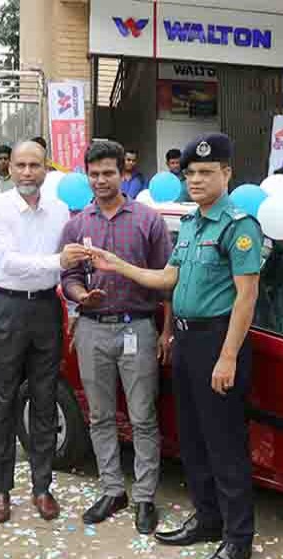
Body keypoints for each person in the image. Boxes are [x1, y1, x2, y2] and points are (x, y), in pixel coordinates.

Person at [88, 133, 261, 559]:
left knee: (225, 445)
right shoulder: (192, 223)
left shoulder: (238, 225)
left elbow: (246, 298)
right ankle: (207, 519)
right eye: (191, 173)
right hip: (184, 342)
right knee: (193, 439)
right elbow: (168, 277)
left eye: (207, 172)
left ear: (227, 173)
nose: (198, 180)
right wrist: (118, 265)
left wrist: (228, 357)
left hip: (217, 343)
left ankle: (237, 538)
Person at [60, 140, 172, 534]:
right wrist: (80, 297)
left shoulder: (147, 220)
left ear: (123, 173)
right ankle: (112, 490)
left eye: (109, 172)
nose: (102, 180)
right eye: (94, 174)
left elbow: (167, 279)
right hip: (92, 328)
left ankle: (144, 496)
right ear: (86, 176)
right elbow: (68, 277)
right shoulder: (77, 225)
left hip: (137, 329)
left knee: (143, 417)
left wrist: (166, 330)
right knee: (100, 416)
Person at [0, 141, 90, 524]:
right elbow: (6, 261)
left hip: (46, 306)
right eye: (21, 165)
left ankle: (42, 487)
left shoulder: (60, 210)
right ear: (9, 168)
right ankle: (0, 489)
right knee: (3, 398)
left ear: (46, 169)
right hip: (6, 306)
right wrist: (55, 262)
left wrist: (75, 306)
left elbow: (70, 267)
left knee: (45, 397)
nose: (27, 172)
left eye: (35, 166)